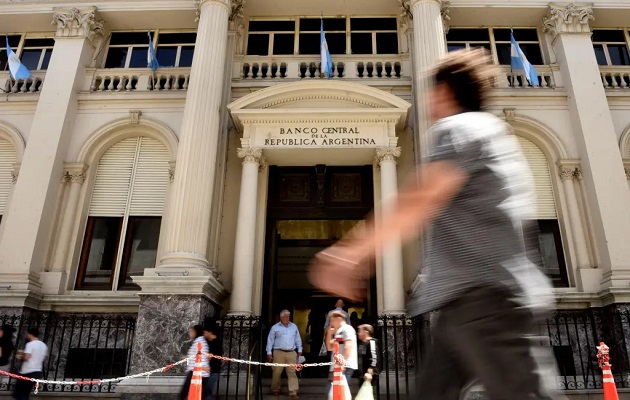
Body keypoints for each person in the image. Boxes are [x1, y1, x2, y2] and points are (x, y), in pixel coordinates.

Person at [309, 48, 562, 400]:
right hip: (464, 305)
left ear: (444, 92)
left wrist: (350, 253)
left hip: (486, 301)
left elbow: (421, 198)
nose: (427, 100)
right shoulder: (491, 132)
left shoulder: (460, 127)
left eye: (430, 90)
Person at [266, 310, 303, 398]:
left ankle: (293, 391)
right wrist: (269, 353)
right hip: (278, 352)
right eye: (285, 316)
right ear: (281, 317)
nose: (287, 318)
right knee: (277, 371)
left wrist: (300, 350)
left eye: (288, 316)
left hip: (291, 352)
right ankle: (275, 389)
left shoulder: (294, 326)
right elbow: (270, 341)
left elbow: (298, 338)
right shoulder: (275, 327)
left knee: (292, 372)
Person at [13, 328, 48, 400]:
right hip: (38, 371)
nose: (26, 335)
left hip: (28, 371)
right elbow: (44, 358)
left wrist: (20, 358)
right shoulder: (44, 345)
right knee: (26, 392)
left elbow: (26, 357)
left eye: (27, 333)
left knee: (19, 393)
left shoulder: (30, 344)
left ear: (30, 334)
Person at [180, 325, 210, 400]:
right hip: (195, 372)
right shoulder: (197, 341)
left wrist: (203, 367)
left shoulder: (200, 343)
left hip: (198, 374)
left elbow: (202, 358)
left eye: (192, 331)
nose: (190, 333)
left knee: (185, 394)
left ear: (196, 332)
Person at [327, 310, 358, 385]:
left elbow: (348, 346)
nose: (331, 323)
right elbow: (329, 348)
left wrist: (343, 364)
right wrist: (329, 334)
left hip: (345, 365)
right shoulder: (339, 332)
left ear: (339, 319)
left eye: (332, 321)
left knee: (339, 392)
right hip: (337, 365)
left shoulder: (347, 329)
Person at [203, 322, 222, 400]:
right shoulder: (209, 342)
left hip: (212, 371)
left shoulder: (215, 343)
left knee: (207, 393)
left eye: (205, 332)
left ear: (210, 332)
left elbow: (209, 357)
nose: (204, 334)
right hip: (208, 371)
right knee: (206, 393)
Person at [357, 324, 378, 390]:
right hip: (362, 376)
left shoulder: (371, 342)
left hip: (369, 376)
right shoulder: (362, 344)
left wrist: (370, 372)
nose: (358, 333)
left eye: (360, 331)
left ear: (366, 332)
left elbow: (374, 357)